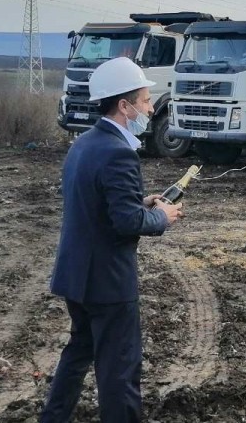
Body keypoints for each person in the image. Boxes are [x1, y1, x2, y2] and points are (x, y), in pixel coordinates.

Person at [40, 57, 184, 423]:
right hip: (107, 283)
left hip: (77, 276)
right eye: (146, 99)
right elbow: (127, 223)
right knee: (119, 370)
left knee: (77, 354)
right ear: (125, 105)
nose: (151, 108)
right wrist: (160, 217)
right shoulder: (119, 153)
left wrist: (141, 201)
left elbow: (95, 204)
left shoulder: (85, 144)